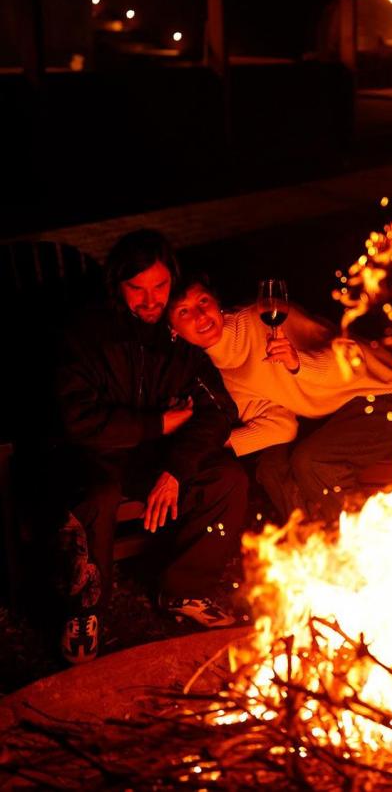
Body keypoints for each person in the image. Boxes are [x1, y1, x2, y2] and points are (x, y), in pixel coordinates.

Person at [55, 230, 248, 664]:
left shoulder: (174, 336)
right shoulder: (87, 334)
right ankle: (83, 609)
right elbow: (78, 420)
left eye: (159, 287)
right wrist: (157, 422)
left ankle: (184, 591)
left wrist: (176, 468)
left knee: (226, 477)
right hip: (95, 451)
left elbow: (218, 408)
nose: (149, 300)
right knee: (95, 496)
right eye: (136, 289)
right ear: (117, 287)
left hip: (151, 453)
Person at [167, 274, 392, 524]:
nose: (200, 315)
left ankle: (364, 546)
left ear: (216, 302)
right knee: (271, 468)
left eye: (203, 301)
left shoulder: (262, 318)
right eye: (184, 312)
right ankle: (313, 547)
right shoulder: (218, 374)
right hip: (330, 416)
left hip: (382, 394)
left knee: (312, 461)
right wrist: (206, 442)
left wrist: (298, 363)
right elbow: (279, 427)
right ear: (173, 330)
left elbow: (349, 357)